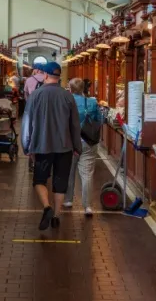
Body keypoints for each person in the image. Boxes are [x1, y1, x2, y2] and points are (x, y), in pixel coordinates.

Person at [21, 62, 82, 230]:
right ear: (59, 77)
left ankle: (46, 207)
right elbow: (75, 125)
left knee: (39, 180)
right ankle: (56, 216)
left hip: (41, 145)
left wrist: (26, 145)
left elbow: (27, 122)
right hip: (65, 146)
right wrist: (77, 147)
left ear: (45, 75)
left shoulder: (35, 96)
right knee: (60, 182)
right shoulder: (67, 96)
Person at [62, 78, 102, 216]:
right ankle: (87, 206)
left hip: (71, 142)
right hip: (88, 142)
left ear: (70, 89)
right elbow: (100, 120)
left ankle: (68, 200)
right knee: (87, 174)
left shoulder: (66, 101)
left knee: (69, 171)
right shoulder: (92, 102)